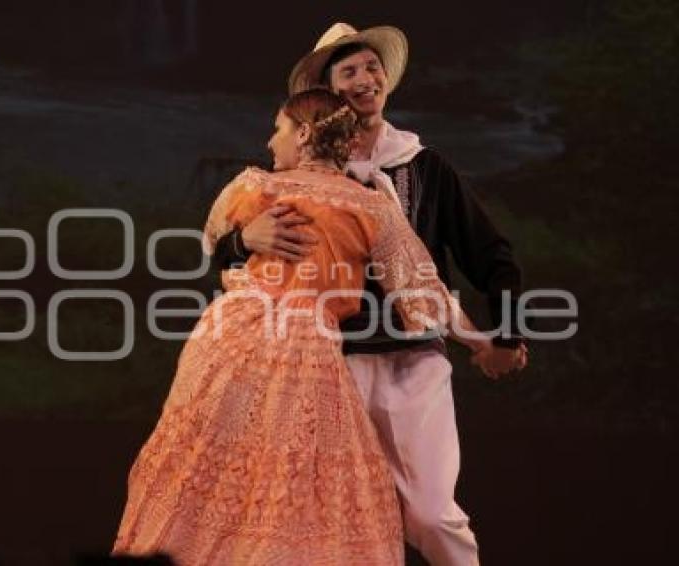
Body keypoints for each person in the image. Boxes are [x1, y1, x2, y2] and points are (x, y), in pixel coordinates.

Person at [113, 89, 494, 565]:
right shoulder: (370, 206)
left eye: (279, 129)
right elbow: (424, 294)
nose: (272, 142)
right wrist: (482, 343)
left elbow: (211, 239)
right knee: (292, 492)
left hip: (231, 342)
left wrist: (243, 238)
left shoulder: (254, 187)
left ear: (306, 133)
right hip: (301, 350)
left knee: (204, 476)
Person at [209, 23, 529, 566]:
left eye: (371, 67)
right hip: (328, 364)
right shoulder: (290, 177)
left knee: (431, 514)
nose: (365, 78)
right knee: (331, 520)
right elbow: (227, 251)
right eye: (349, 70)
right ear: (329, 94)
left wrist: (503, 333)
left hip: (413, 361)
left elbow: (488, 254)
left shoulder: (422, 167)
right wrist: (245, 239)